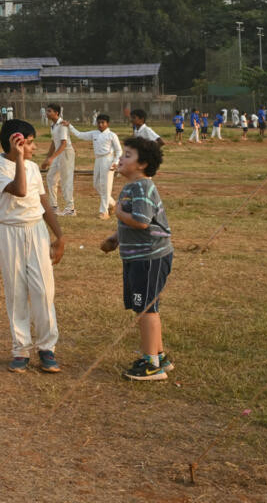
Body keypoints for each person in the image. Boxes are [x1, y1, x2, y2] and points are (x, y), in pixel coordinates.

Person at [0, 119, 65, 373]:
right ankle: (20, 348)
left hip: (36, 231)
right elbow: (19, 190)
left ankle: (46, 347)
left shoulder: (32, 168)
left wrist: (59, 235)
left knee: (43, 290)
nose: (34, 147)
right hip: (10, 232)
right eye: (29, 142)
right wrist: (19, 158)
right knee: (17, 291)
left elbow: (43, 202)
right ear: (15, 143)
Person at [102, 135, 174, 381]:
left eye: (127, 155)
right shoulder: (133, 186)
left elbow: (142, 222)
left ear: (142, 164)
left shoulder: (142, 186)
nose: (121, 158)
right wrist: (116, 238)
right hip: (138, 257)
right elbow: (137, 223)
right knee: (145, 307)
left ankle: (151, 364)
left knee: (146, 309)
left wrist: (119, 213)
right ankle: (159, 355)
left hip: (149, 258)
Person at [67, 113, 123, 219]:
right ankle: (112, 203)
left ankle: (104, 212)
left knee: (106, 186)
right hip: (98, 160)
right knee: (96, 184)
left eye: (103, 123)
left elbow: (119, 150)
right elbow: (79, 135)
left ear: (108, 123)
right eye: (99, 123)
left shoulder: (112, 135)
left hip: (108, 160)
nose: (100, 125)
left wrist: (115, 162)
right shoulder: (94, 133)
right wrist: (70, 126)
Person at [41, 104, 76, 216]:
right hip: (58, 154)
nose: (47, 113)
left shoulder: (62, 125)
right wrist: (47, 158)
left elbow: (63, 144)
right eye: (47, 111)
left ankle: (70, 209)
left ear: (56, 113)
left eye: (49, 111)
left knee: (66, 180)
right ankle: (54, 207)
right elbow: (54, 142)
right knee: (51, 177)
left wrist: (52, 158)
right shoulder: (53, 125)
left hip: (65, 153)